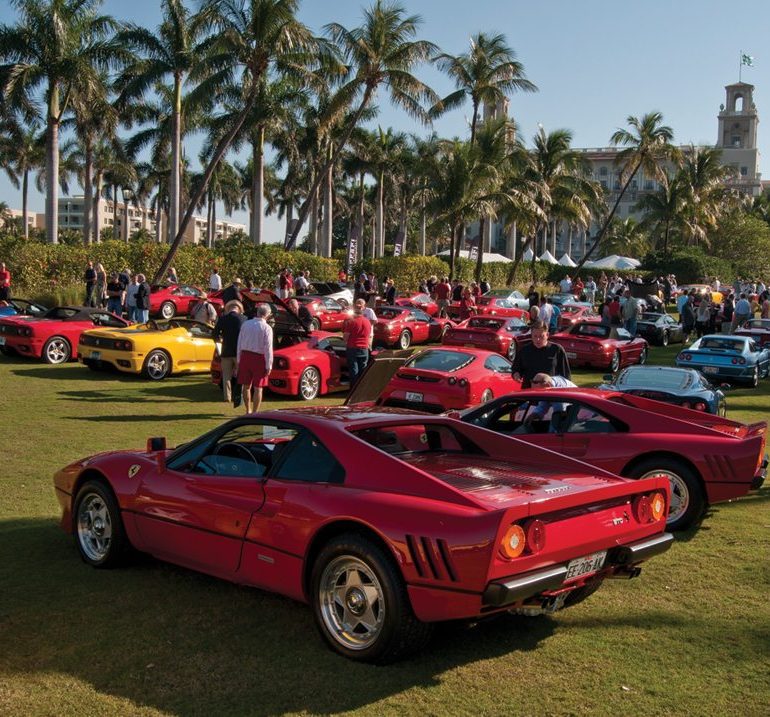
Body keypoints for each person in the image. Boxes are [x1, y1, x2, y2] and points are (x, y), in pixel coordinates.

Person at [237, 303, 273, 414]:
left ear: (257, 312)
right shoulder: (266, 328)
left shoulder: (246, 324)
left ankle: (248, 410)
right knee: (258, 387)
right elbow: (268, 348)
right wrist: (269, 365)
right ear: (267, 315)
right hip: (259, 358)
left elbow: (240, 342)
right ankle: (255, 412)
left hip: (245, 356)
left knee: (246, 386)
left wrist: (239, 359)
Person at [511, 321, 571, 388]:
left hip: (550, 392)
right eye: (535, 336)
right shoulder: (524, 350)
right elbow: (516, 369)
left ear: (547, 335)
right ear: (531, 335)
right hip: (529, 391)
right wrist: (516, 375)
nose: (538, 339)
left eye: (541, 336)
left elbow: (566, 377)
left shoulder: (557, 350)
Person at [213, 300, 245, 404]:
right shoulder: (243, 319)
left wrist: (220, 341)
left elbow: (215, 334)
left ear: (228, 309)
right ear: (239, 309)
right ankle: (239, 396)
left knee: (226, 376)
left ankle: (227, 397)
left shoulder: (223, 319)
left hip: (226, 351)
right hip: (239, 352)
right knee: (241, 376)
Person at [344, 299, 371, 385]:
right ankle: (361, 389)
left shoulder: (352, 321)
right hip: (364, 348)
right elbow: (369, 335)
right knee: (362, 370)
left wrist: (346, 343)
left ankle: (353, 389)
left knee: (353, 370)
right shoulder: (367, 322)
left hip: (353, 347)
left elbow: (345, 337)